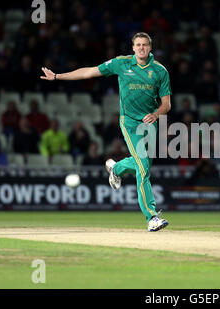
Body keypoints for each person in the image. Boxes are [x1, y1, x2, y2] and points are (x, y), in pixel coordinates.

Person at [40, 32, 171, 232]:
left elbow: (167, 105)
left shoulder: (160, 71)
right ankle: (151, 217)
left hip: (150, 123)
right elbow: (89, 72)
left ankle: (117, 169)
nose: (142, 48)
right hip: (130, 123)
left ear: (150, 47)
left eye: (145, 45)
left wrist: (156, 114)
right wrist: (58, 76)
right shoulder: (122, 64)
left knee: (142, 165)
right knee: (143, 167)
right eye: (138, 45)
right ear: (133, 47)